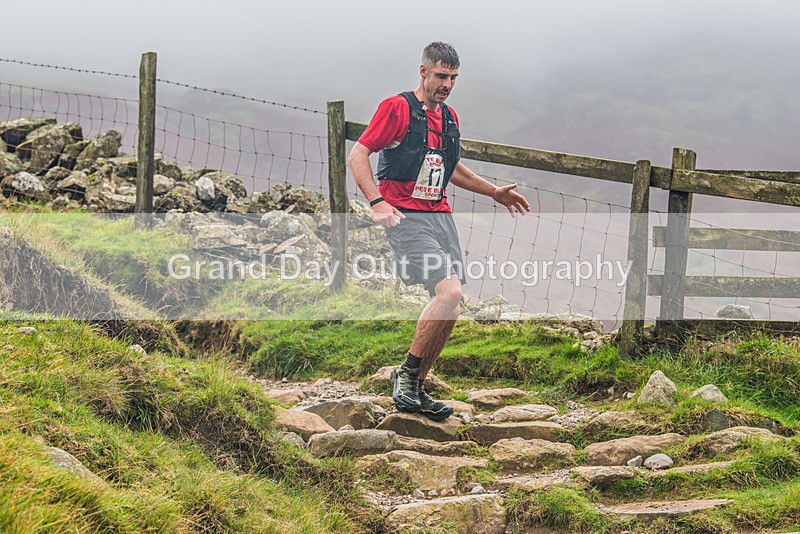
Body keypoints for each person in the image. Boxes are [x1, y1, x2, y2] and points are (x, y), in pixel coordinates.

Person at [348, 42, 530, 422]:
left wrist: (493, 192)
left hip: (440, 217)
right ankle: (405, 376)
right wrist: (377, 202)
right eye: (441, 76)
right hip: (407, 218)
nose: (447, 84)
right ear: (424, 71)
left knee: (452, 307)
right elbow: (358, 154)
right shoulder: (397, 108)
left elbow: (452, 167)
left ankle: (416, 386)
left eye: (453, 78)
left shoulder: (449, 118)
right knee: (451, 293)